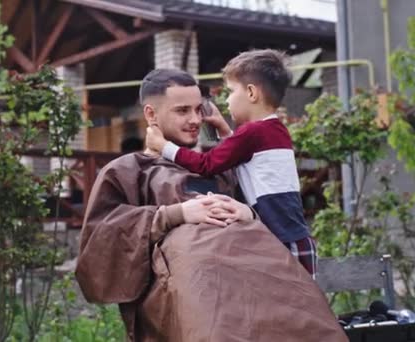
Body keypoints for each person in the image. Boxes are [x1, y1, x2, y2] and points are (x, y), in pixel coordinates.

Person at [76, 68, 346, 341]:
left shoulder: (223, 168)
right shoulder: (129, 171)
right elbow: (100, 240)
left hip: (261, 279)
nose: (195, 120)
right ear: (150, 114)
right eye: (182, 111)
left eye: (198, 109)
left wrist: (250, 212)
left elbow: (277, 211)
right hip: (198, 293)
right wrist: (175, 214)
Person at [146, 50, 317, 275]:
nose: (226, 100)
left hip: (281, 240)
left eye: (230, 91)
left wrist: (163, 147)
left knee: (290, 306)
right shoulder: (274, 129)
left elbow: (206, 164)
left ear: (251, 93)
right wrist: (224, 130)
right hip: (296, 237)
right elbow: (244, 156)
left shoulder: (252, 133)